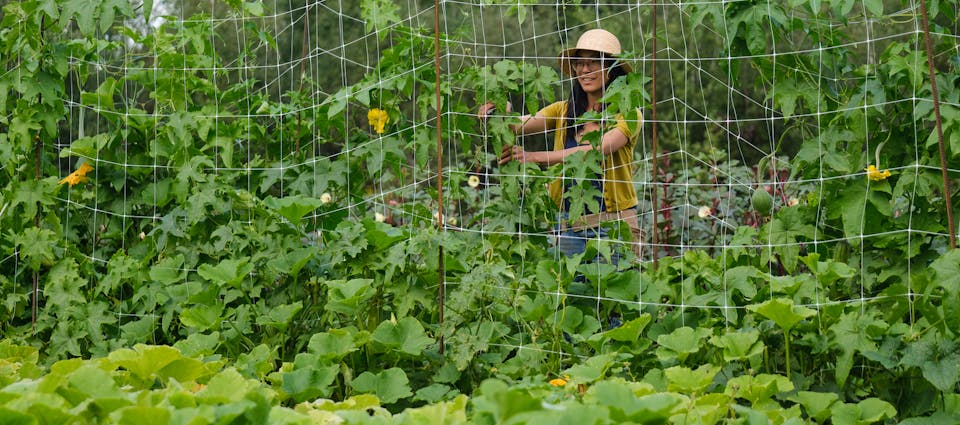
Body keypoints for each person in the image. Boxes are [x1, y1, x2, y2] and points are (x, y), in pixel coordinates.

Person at [479, 28, 643, 262]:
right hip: (569, 226)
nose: (585, 70)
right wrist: (495, 114)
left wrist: (535, 157)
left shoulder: (628, 113)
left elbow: (597, 150)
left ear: (611, 68)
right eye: (579, 63)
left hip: (614, 224)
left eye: (594, 62)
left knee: (614, 296)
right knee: (573, 295)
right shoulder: (563, 111)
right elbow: (518, 125)